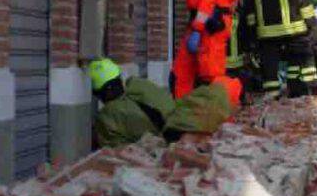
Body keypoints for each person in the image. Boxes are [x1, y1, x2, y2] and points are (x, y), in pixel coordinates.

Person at [90, 59, 237, 148]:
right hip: (179, 128)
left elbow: (114, 151)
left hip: (161, 146)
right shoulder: (139, 84)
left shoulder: (107, 116)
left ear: (101, 92)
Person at [241, 0, 317, 98]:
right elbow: (303, 1)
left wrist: (251, 35)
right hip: (294, 31)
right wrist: (311, 25)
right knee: (295, 63)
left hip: (266, 34)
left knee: (269, 66)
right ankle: (297, 93)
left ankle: (272, 95)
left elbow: (249, 9)